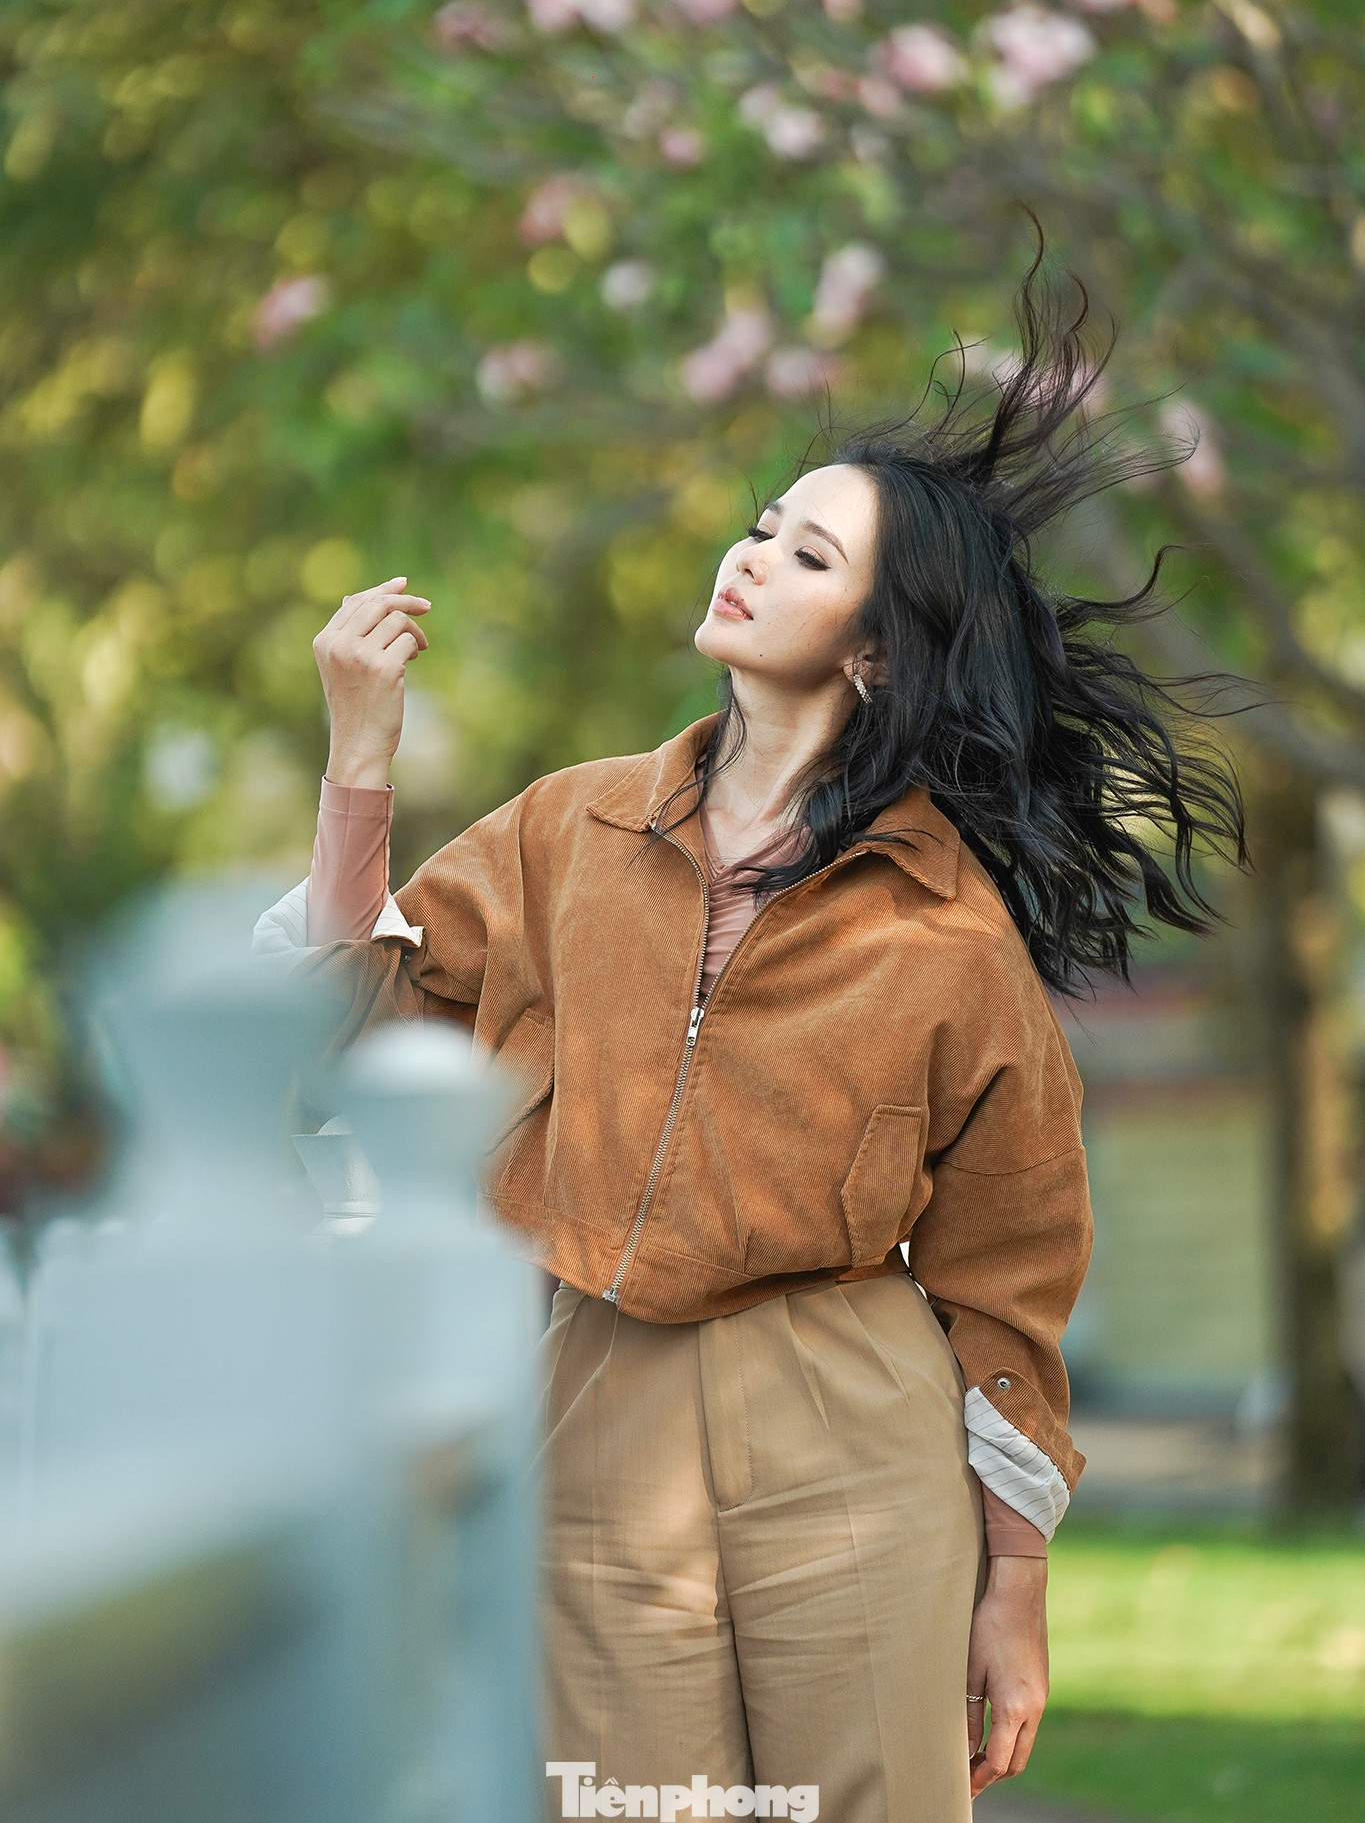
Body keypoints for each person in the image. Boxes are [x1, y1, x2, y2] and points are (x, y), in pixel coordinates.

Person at [254, 257, 1245, 1820]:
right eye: (760, 525)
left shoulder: (946, 930)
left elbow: (1010, 1269)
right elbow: (343, 1039)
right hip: (595, 1397)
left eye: (808, 551)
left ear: (874, 648)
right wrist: (359, 763)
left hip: (851, 1414)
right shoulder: (563, 831)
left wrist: (1014, 1584)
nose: (751, 556)